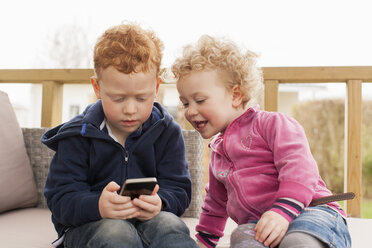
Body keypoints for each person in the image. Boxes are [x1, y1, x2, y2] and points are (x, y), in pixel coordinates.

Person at [172, 35, 351, 248]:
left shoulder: (273, 125)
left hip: (310, 211)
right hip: (259, 225)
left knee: (297, 241)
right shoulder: (218, 154)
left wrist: (282, 212)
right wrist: (203, 242)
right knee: (241, 237)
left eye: (199, 100)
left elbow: (300, 170)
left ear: (236, 95)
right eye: (185, 103)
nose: (190, 111)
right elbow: (216, 204)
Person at [42, 23, 198, 248]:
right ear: (97, 88)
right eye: (118, 98)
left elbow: (179, 189)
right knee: (116, 231)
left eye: (142, 98)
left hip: (149, 222)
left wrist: (160, 202)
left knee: (169, 225)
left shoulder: (167, 132)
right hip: (91, 226)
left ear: (156, 87)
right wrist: (98, 205)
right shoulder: (77, 136)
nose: (130, 109)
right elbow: (61, 198)